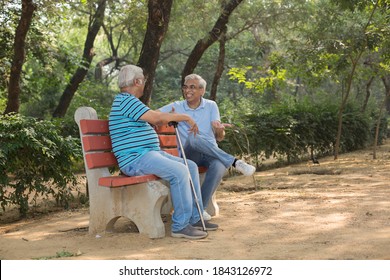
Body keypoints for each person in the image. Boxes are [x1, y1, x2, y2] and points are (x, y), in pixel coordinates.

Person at [108, 65, 218, 240]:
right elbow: (157, 118)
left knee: (189, 165)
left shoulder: (129, 102)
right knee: (180, 171)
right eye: (143, 79)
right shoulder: (126, 100)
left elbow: (155, 120)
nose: (144, 83)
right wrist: (185, 117)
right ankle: (180, 226)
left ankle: (194, 218)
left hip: (148, 154)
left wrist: (172, 117)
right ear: (137, 81)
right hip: (136, 158)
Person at [159, 74, 256, 220]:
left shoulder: (211, 105)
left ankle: (200, 209)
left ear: (202, 91)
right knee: (193, 137)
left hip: (210, 154)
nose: (187, 90)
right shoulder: (176, 106)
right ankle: (235, 162)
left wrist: (219, 129)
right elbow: (152, 114)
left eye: (192, 87)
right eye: (185, 87)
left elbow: (219, 137)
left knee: (219, 166)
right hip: (189, 154)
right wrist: (172, 116)